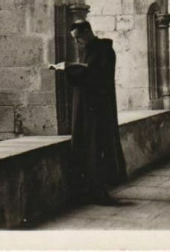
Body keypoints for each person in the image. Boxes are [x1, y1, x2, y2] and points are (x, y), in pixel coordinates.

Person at [50, 20, 127, 205]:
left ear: (87, 32)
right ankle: (89, 190)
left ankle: (99, 191)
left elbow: (97, 76)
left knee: (98, 146)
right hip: (86, 105)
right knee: (87, 145)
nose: (77, 43)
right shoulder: (89, 50)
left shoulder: (105, 50)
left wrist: (69, 68)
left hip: (98, 107)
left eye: (78, 38)